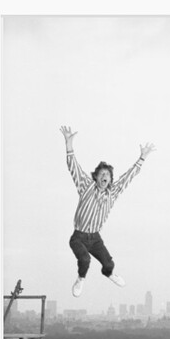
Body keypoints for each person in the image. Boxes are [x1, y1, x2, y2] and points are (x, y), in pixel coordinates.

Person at [60, 125, 156, 297]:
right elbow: (73, 166)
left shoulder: (113, 193)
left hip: (95, 237)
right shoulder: (85, 187)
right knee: (85, 260)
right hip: (79, 236)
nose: (104, 177)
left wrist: (142, 158)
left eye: (108, 175)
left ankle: (109, 273)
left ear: (110, 179)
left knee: (109, 263)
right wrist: (69, 145)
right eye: (101, 174)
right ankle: (80, 279)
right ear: (96, 177)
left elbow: (128, 177)